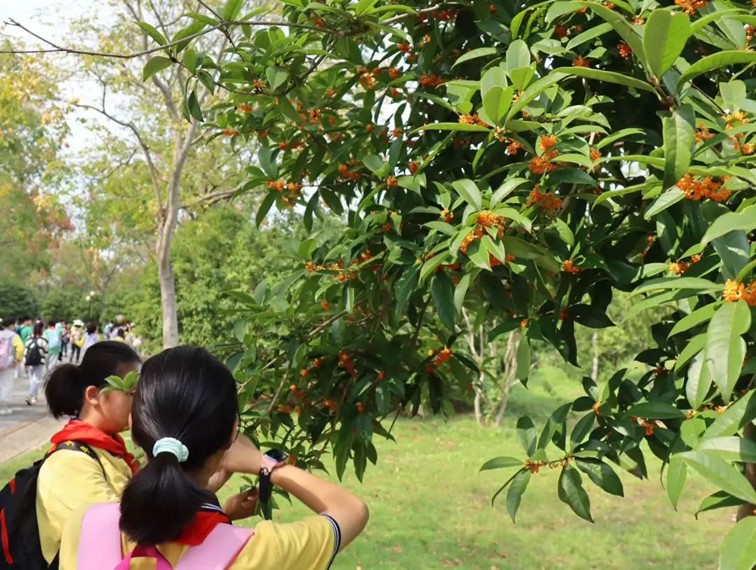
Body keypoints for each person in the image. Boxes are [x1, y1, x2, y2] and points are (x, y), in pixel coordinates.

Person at [60, 346, 369, 569]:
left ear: (134, 426)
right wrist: (265, 463)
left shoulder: (85, 525)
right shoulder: (260, 553)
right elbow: (351, 510)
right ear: (231, 432)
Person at [35, 341, 142, 565]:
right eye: (132, 393)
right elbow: (127, 537)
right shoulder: (70, 464)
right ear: (94, 395)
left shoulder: (109, 449)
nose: (140, 403)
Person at [0, 318, 24, 415]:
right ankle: (3, 406)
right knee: (6, 384)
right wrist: (17, 360)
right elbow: (20, 349)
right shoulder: (13, 336)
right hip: (7, 363)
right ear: (11, 325)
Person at [24, 322, 48, 405]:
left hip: (29, 361)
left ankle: (34, 396)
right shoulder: (43, 338)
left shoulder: (29, 337)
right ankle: (30, 395)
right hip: (39, 361)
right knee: (36, 379)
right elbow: (46, 350)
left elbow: (26, 350)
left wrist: (25, 363)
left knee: (32, 379)